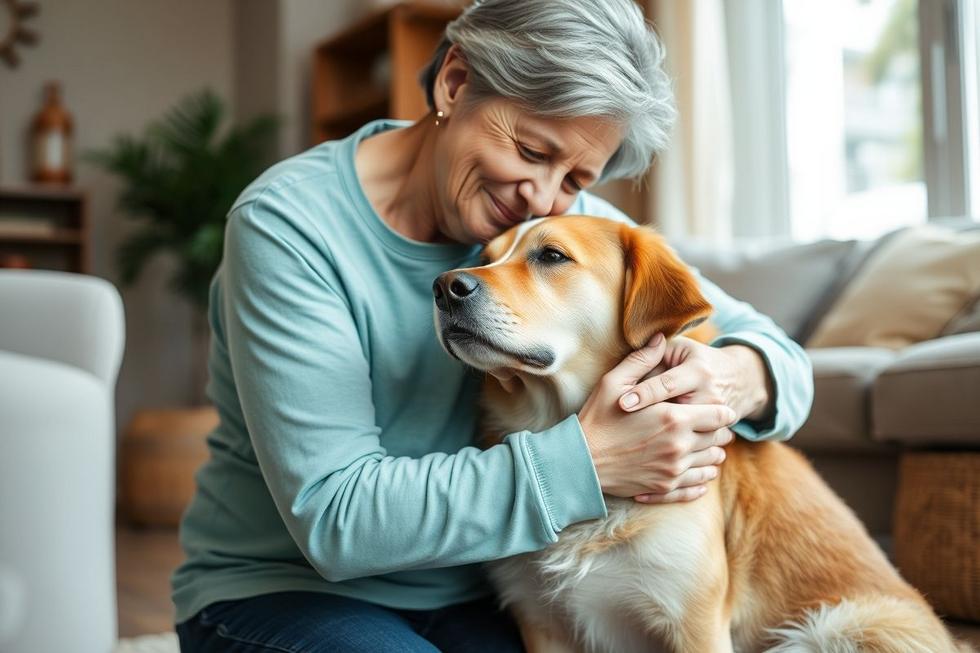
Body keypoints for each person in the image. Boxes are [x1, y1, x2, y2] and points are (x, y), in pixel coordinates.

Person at [172, 0, 814, 650]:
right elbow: (341, 522)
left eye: (576, 178)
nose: (541, 196)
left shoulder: (554, 222)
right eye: (532, 149)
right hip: (291, 592)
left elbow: (784, 362)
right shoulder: (291, 228)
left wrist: (727, 376)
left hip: (485, 590)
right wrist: (592, 459)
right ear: (454, 83)